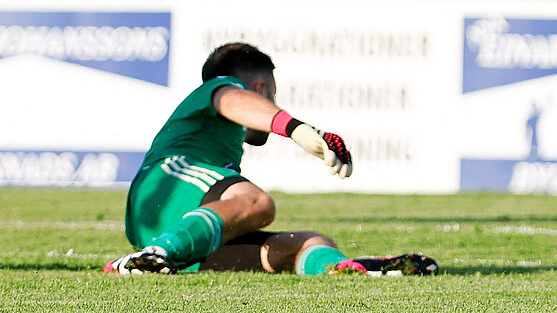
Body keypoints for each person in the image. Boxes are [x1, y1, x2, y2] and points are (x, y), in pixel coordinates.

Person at [104, 42, 437, 277]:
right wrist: (295, 128)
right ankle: (157, 252)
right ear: (260, 87)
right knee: (255, 202)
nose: (273, 103)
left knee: (306, 242)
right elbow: (234, 99)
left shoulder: (220, 138)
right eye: (272, 95)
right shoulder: (221, 86)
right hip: (165, 188)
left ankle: (342, 269)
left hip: (181, 230)